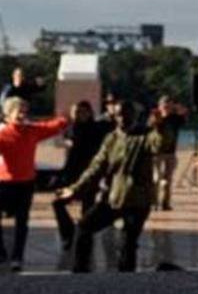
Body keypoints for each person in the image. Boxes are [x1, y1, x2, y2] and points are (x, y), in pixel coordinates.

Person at [56, 100, 162, 273]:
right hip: (113, 197)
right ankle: (79, 273)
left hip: (138, 199)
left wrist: (160, 125)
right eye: (118, 115)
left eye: (126, 114)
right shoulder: (112, 138)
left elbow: (159, 144)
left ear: (134, 116)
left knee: (127, 242)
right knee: (83, 227)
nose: (122, 118)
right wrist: (74, 189)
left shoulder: (145, 135)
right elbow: (95, 167)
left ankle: (125, 281)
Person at [0, 97, 68, 270]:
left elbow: (53, 126)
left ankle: (17, 257)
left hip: (26, 184)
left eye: (24, 110)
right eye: (19, 111)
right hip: (4, 183)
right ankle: (1, 253)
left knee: (22, 222)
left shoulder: (32, 131)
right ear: (7, 116)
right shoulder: (3, 135)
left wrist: (65, 118)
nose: (23, 114)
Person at [53, 101, 114, 250]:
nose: (79, 115)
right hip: (72, 173)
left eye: (82, 112)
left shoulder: (98, 127)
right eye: (76, 112)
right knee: (58, 203)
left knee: (87, 209)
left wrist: (111, 112)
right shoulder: (72, 128)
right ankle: (68, 234)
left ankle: (83, 240)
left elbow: (113, 127)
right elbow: (70, 151)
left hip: (90, 174)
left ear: (89, 113)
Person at [148, 96, 188, 211]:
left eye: (168, 105)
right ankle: (153, 202)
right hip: (156, 153)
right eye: (164, 105)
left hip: (170, 152)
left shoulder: (175, 118)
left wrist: (179, 109)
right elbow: (150, 128)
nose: (166, 108)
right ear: (160, 106)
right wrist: (156, 118)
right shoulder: (155, 116)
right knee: (156, 178)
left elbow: (184, 115)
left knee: (168, 180)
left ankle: (166, 203)